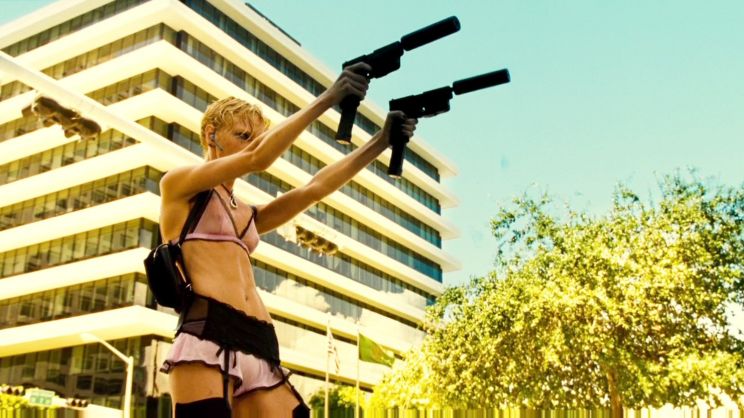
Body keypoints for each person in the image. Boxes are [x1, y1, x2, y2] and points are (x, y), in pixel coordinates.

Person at [158, 62, 417, 418]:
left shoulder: (247, 214)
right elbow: (258, 158)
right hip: (207, 331)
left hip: (260, 339)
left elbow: (315, 188)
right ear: (210, 135)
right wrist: (330, 96)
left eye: (258, 136)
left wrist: (381, 141)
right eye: (243, 135)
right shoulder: (179, 185)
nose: (252, 144)